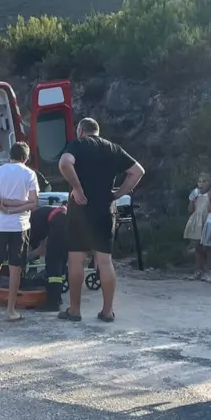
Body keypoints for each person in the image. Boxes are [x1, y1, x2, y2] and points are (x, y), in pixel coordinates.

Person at [56, 118, 145, 322]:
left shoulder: (78, 144)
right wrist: (119, 193)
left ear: (80, 131)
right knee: (105, 261)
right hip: (105, 208)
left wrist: (77, 188)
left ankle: (75, 310)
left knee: (76, 260)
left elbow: (65, 163)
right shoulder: (113, 148)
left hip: (80, 207)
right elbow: (137, 171)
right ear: (98, 131)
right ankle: (107, 311)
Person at [0, 143, 39, 322]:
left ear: (10, 156)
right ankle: (10, 310)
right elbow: (33, 202)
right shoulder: (30, 174)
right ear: (26, 158)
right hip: (20, 226)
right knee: (15, 268)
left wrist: (6, 204)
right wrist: (18, 207)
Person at [25, 202, 68, 312]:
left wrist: (27, 257)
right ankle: (58, 298)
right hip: (69, 224)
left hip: (60, 225)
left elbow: (43, 248)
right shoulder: (43, 212)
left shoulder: (34, 220)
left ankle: (52, 304)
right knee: (61, 263)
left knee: (53, 263)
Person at [185, 173, 211, 280]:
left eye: (204, 181)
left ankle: (210, 271)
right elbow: (190, 210)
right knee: (198, 247)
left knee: (209, 248)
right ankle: (198, 270)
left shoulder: (210, 194)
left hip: (207, 220)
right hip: (197, 221)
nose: (201, 184)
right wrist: (191, 200)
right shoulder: (196, 195)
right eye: (199, 181)